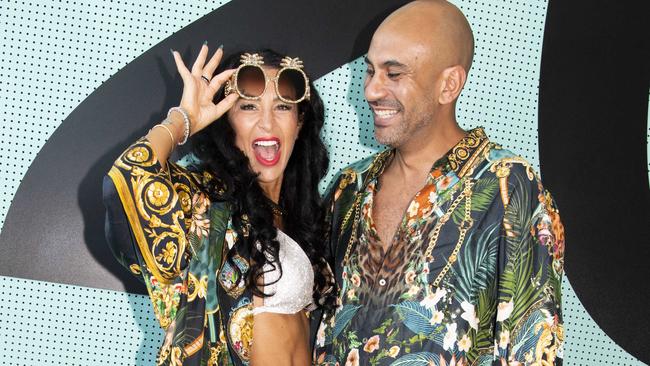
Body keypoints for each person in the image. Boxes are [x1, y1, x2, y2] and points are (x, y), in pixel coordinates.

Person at [314, 1, 565, 365]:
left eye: (393, 74)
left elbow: (533, 348)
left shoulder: (508, 188)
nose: (371, 90)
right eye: (370, 71)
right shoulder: (348, 188)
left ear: (449, 84)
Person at [103, 45, 334, 365]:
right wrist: (184, 119)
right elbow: (132, 175)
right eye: (249, 107)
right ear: (226, 121)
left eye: (282, 107)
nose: (267, 123)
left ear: (300, 121)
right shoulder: (208, 205)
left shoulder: (302, 217)